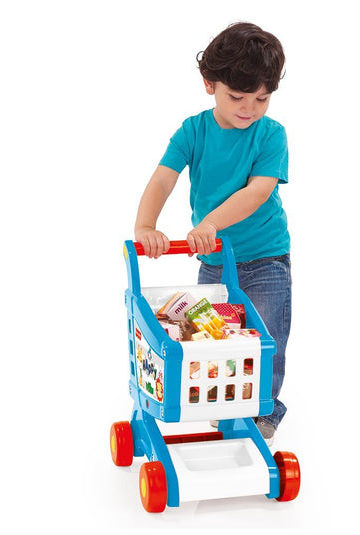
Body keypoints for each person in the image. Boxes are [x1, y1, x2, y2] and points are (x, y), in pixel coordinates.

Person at [134, 22, 291, 445]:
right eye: (237, 97)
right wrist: (146, 226)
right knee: (212, 338)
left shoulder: (271, 135)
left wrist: (210, 224)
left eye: (262, 99)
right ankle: (222, 399)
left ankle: (262, 410)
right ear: (210, 85)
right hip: (215, 260)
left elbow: (257, 192)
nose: (250, 108)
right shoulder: (193, 131)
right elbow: (163, 179)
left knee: (265, 340)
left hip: (265, 259)